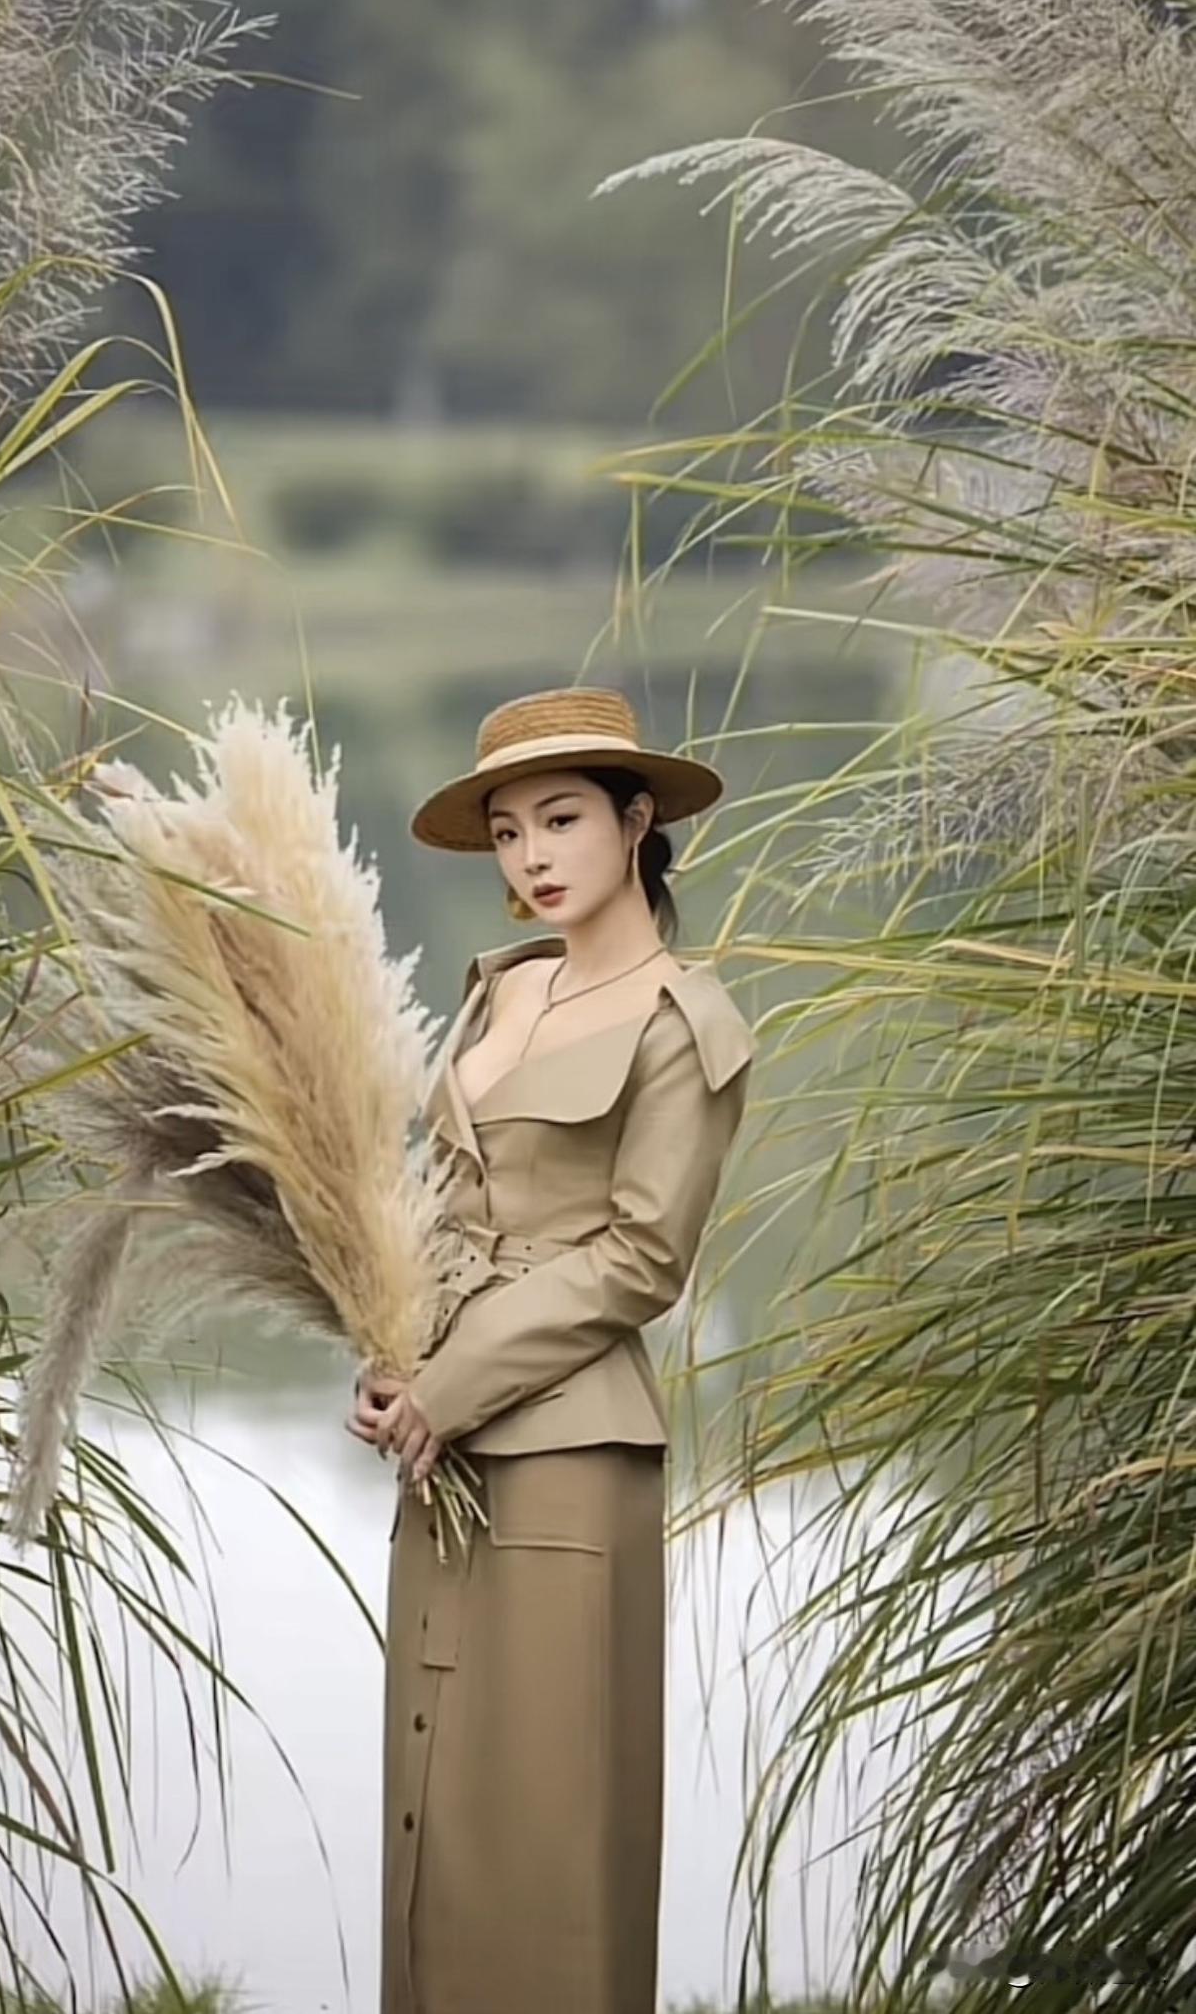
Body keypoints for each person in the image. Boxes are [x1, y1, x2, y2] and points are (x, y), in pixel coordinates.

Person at [346, 684, 755, 2014]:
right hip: (444, 1447)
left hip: (570, 1456)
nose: (532, 854)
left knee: (550, 1825)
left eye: (562, 818)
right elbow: (444, 1206)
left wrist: (452, 1387)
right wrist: (396, 1350)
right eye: (510, 830)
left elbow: (642, 1260)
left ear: (636, 823)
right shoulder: (499, 991)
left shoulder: (684, 1022)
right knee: (438, 1804)